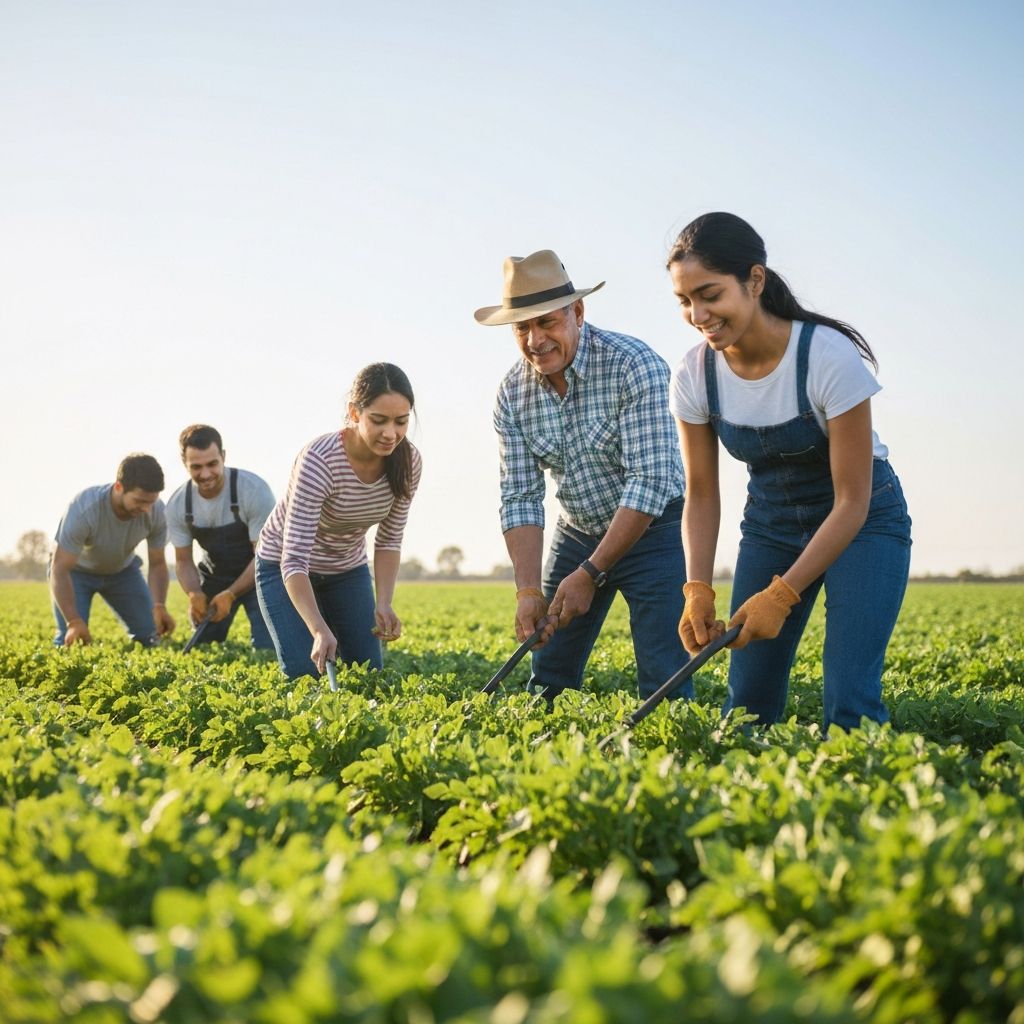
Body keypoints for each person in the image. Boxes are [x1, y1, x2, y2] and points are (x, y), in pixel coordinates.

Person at [667, 212, 912, 732]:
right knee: (747, 704)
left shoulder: (825, 356)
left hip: (863, 525)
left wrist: (782, 594)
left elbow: (852, 501)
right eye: (685, 301)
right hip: (772, 526)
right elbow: (702, 494)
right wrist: (697, 588)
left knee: (850, 700)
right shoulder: (695, 374)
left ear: (754, 280)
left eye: (710, 294)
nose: (698, 314)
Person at [475, 249, 689, 701]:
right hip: (577, 531)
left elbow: (648, 482)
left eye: (546, 322)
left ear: (577, 311)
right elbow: (520, 497)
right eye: (522, 327)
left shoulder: (633, 364)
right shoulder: (512, 395)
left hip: (654, 529)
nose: (535, 340)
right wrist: (528, 589)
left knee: (665, 677)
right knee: (548, 669)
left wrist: (591, 574)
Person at [255, 363, 422, 680]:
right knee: (307, 674)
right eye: (379, 420)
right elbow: (293, 558)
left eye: (401, 422)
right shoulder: (320, 460)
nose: (391, 434)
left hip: (346, 568)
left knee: (367, 673)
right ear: (355, 413)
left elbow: (388, 541)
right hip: (284, 568)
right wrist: (318, 628)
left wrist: (384, 603)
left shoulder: (409, 462)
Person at [166, 424, 276, 650]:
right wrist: (194, 593)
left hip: (260, 574)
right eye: (196, 466)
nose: (205, 474)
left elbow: (265, 556)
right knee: (202, 648)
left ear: (223, 457)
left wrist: (231, 594)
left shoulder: (254, 490)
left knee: (270, 649)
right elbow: (183, 560)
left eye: (212, 464)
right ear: (184, 463)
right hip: (215, 576)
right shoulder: (178, 505)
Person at [49, 453, 175, 647]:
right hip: (76, 574)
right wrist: (73, 621)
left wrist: (159, 605)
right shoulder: (84, 508)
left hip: (122, 573)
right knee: (71, 641)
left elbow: (158, 563)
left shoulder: (157, 511)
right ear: (119, 487)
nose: (147, 509)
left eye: (151, 502)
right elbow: (60, 567)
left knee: (150, 636)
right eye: (140, 501)